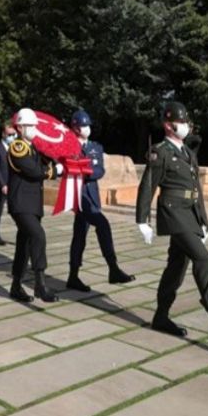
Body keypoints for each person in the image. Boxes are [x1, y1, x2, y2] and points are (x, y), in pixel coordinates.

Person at [136, 102, 208, 343]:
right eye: (181, 122)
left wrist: (204, 221)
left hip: (189, 214)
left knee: (176, 268)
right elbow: (148, 185)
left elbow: (195, 189)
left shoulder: (186, 152)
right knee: (204, 260)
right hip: (173, 214)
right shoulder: (161, 151)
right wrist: (143, 220)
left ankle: (161, 317)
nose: (186, 126)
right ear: (168, 125)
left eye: (187, 122)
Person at [67, 110, 135, 291]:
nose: (86, 128)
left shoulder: (95, 147)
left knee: (79, 235)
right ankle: (113, 269)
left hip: (92, 196)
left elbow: (99, 171)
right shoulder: (68, 146)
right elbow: (68, 168)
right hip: (78, 195)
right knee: (102, 225)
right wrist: (84, 168)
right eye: (83, 125)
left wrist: (84, 170)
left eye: (88, 125)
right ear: (74, 127)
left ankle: (73, 276)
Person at [8, 108, 62, 303]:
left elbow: (45, 161)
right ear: (20, 127)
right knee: (38, 235)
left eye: (34, 126)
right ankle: (39, 284)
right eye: (29, 126)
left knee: (24, 244)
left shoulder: (33, 148)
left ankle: (16, 285)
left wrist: (56, 156)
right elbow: (33, 171)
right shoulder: (18, 147)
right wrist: (54, 171)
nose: (33, 129)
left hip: (32, 204)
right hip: (21, 203)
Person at [0, 125, 16, 245]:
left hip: (13, 183)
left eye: (13, 134)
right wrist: (2, 184)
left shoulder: (14, 147)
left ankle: (22, 233)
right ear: (3, 134)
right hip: (1, 184)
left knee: (17, 209)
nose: (11, 137)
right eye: (9, 134)